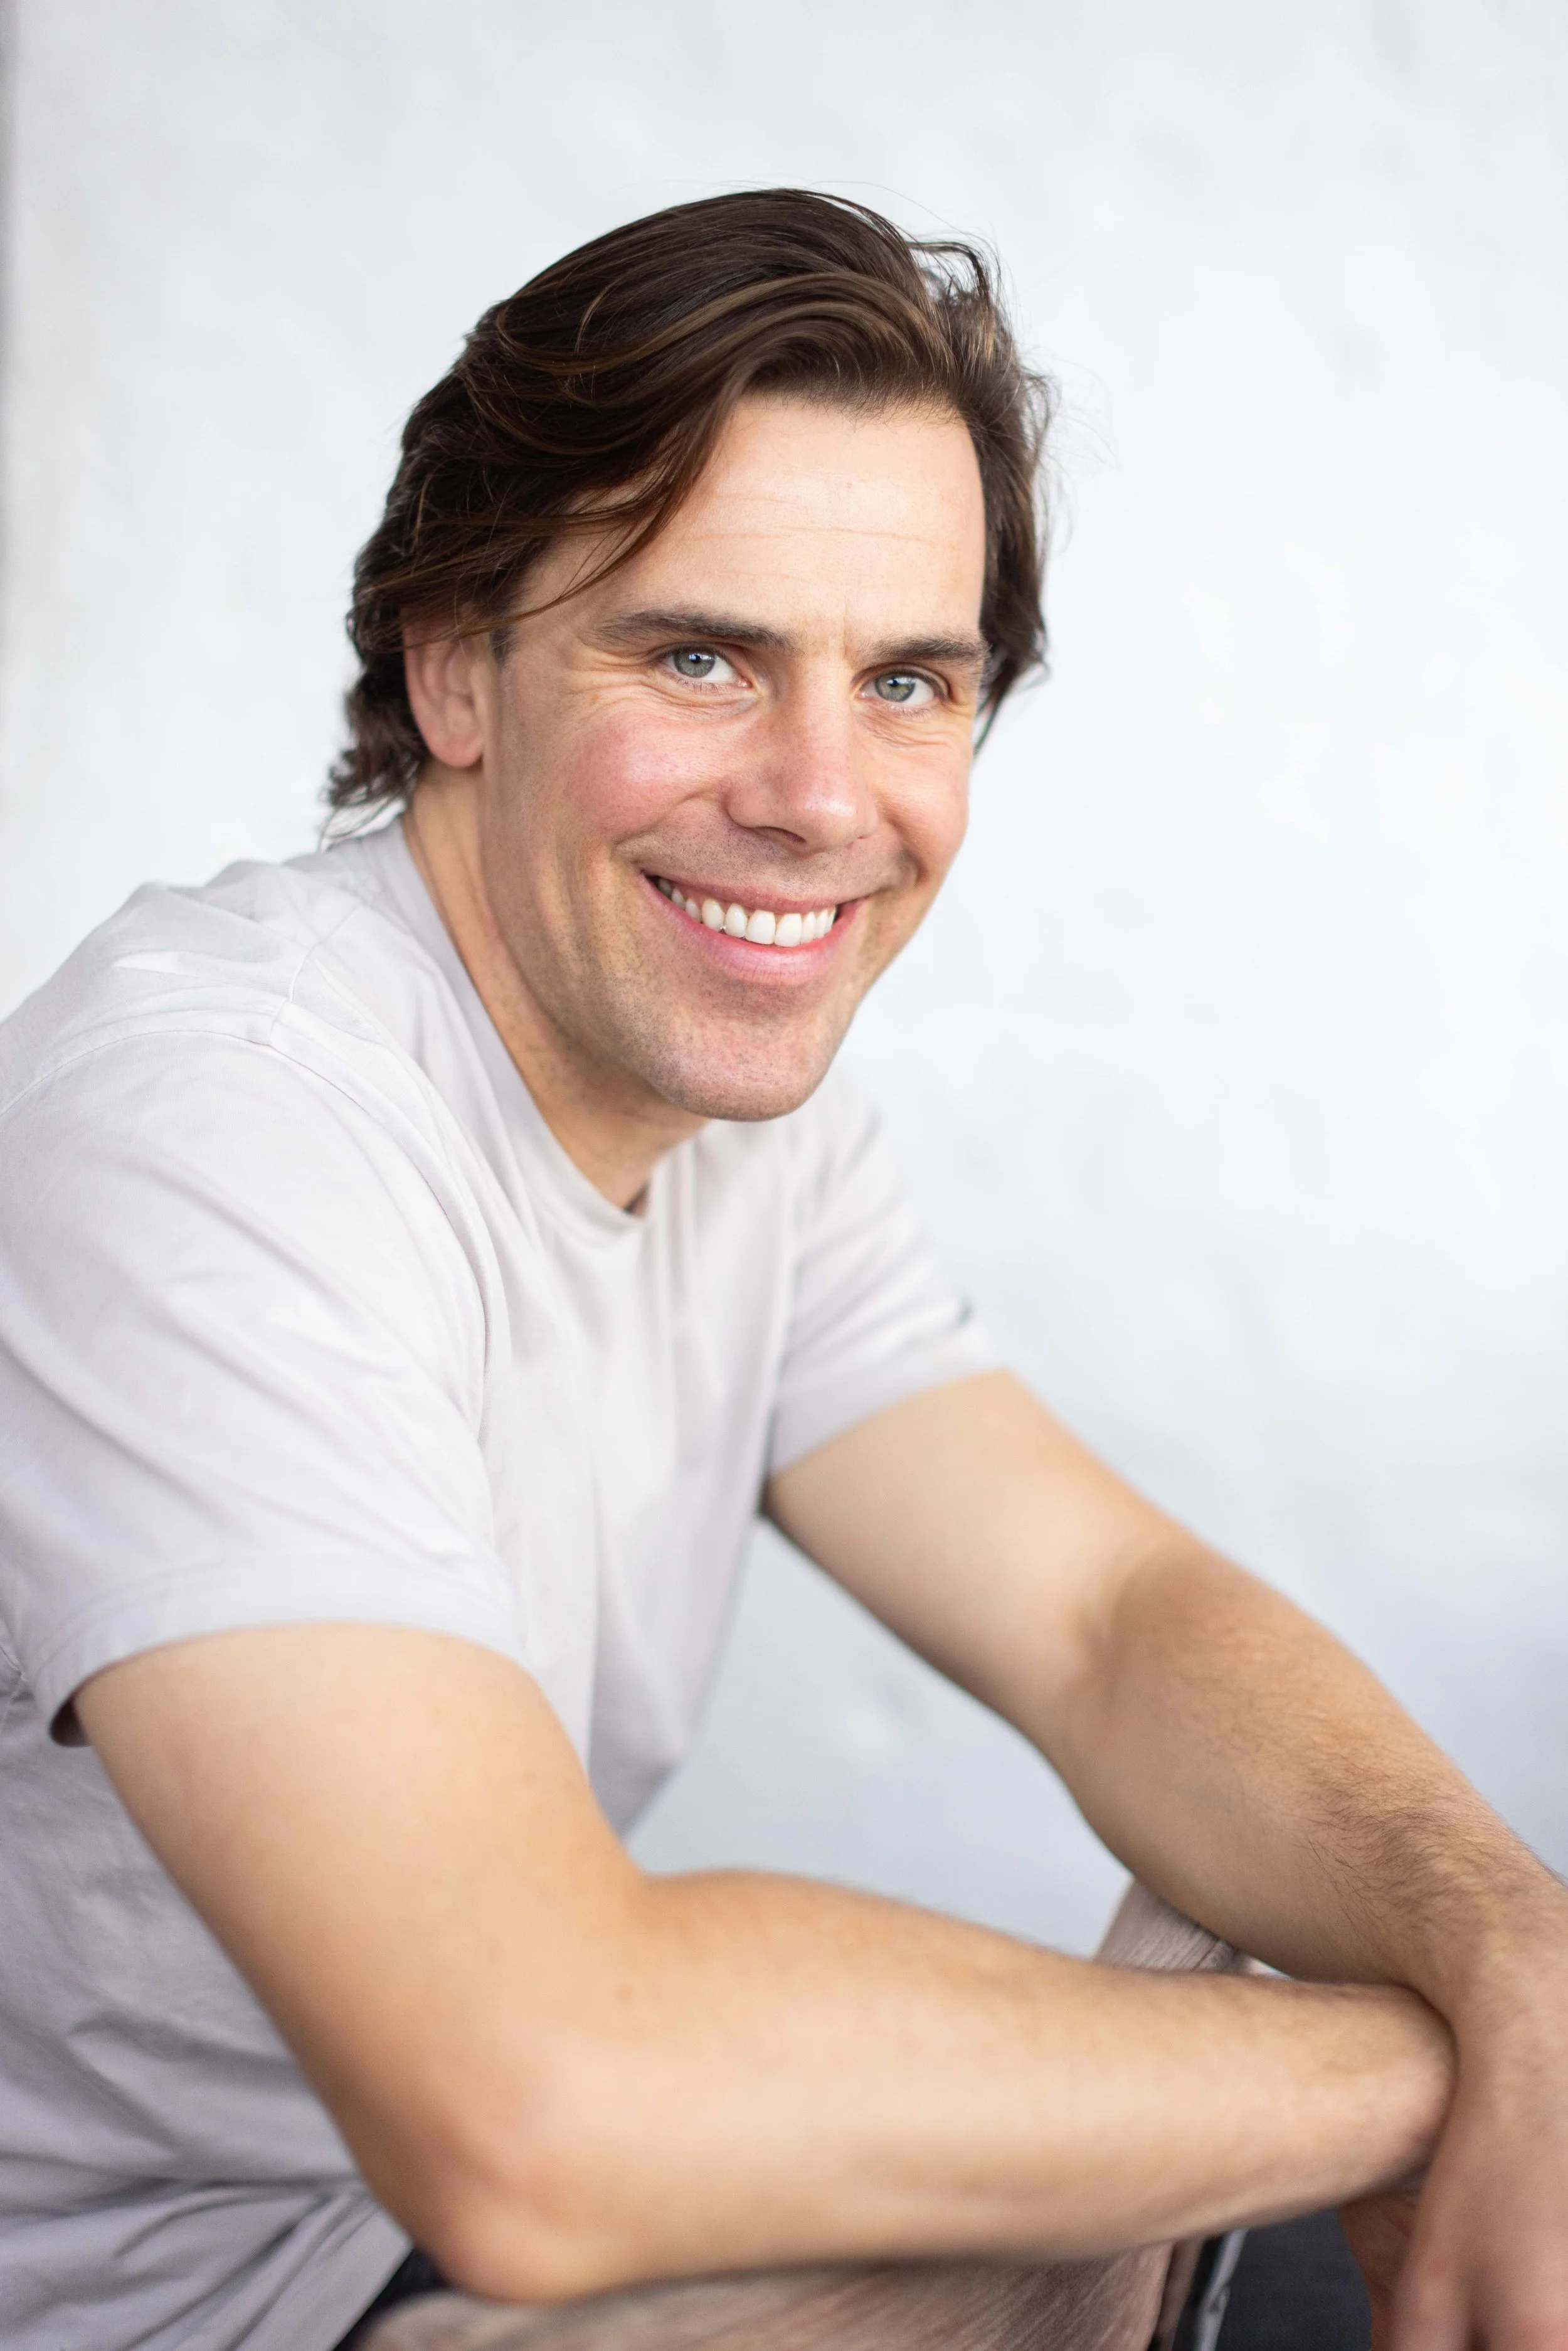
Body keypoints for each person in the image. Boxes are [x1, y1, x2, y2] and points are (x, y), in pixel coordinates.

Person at [0, 189, 1562, 2351]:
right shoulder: (214, 1116)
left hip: (419, 2248)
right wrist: (1429, 2071)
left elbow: (1103, 1620)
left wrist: (1514, 1952)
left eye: (908, 680)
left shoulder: (744, 1118)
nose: (822, 797)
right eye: (700, 653)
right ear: (457, 667)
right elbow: (533, 2102)